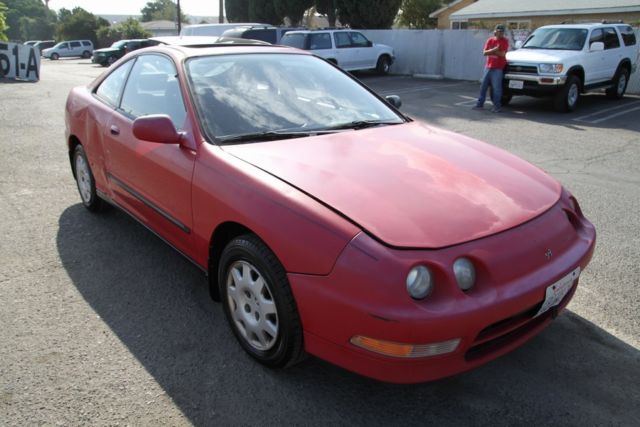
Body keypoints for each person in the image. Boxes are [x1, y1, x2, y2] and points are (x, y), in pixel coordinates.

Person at [474, 24, 509, 113]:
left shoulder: (504, 41)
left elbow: (502, 54)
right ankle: (480, 104)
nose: (500, 33)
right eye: (498, 31)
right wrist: (495, 50)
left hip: (498, 68)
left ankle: (497, 106)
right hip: (488, 67)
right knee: (483, 86)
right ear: (495, 32)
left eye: (501, 32)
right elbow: (484, 53)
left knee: (497, 88)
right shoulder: (490, 40)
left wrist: (492, 51)